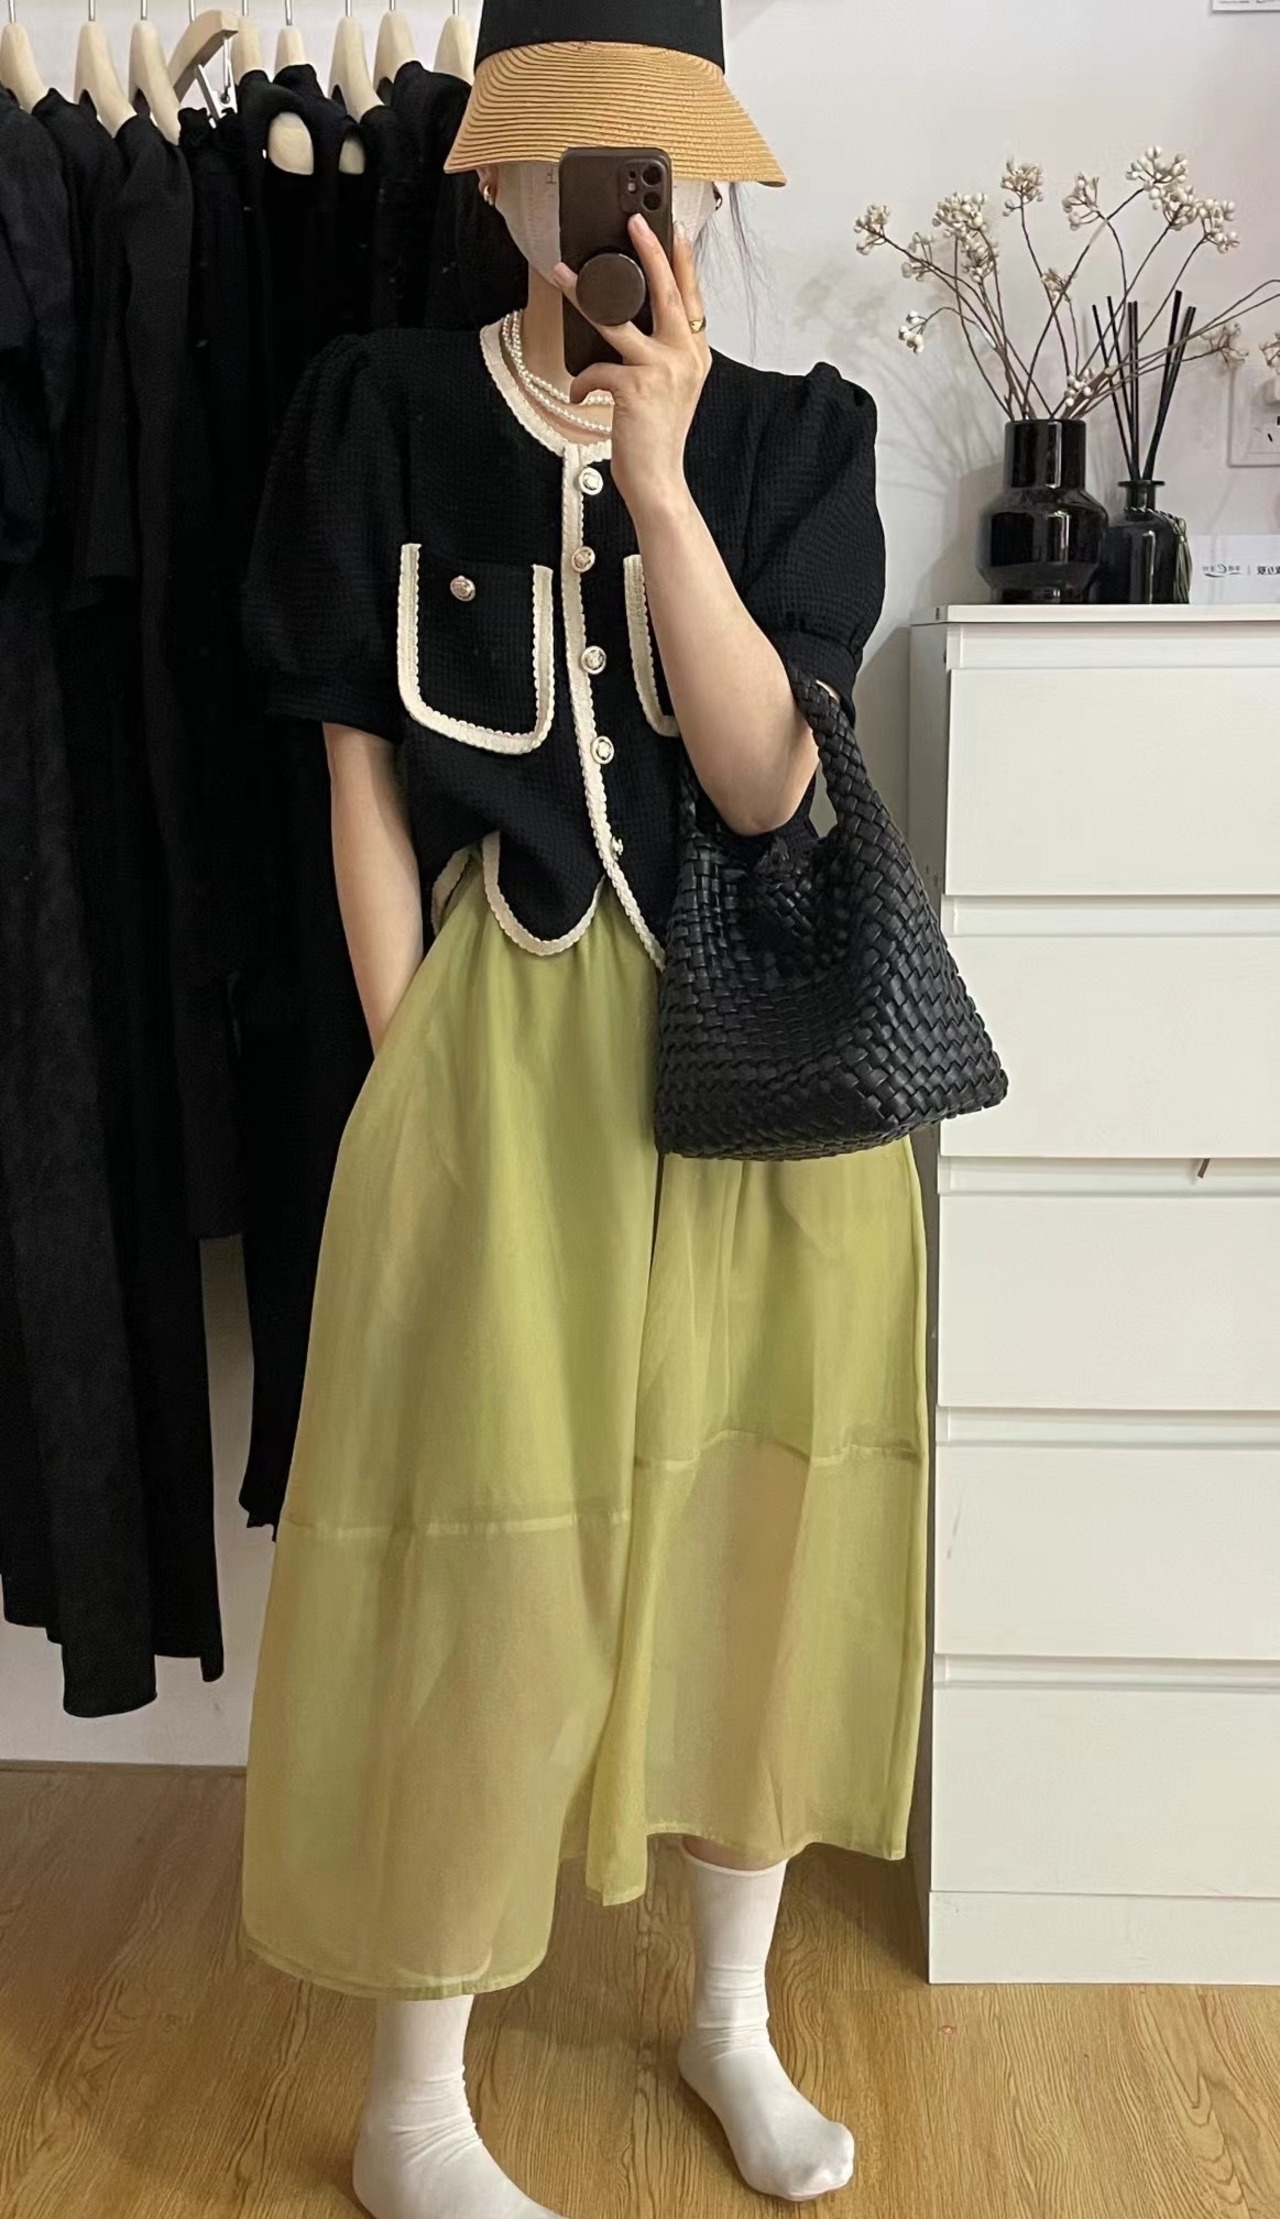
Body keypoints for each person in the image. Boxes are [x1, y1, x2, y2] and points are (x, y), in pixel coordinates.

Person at [240, 4, 930, 2213]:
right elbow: (357, 777)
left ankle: (730, 2017)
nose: (606, 199)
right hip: (499, 1044)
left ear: (697, 183)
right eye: (565, 154)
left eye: (646, 158)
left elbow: (764, 778)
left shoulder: (798, 437)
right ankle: (413, 2104)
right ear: (495, 173)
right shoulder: (377, 411)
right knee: (477, 1543)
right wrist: (411, 1077)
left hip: (767, 1071)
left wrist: (659, 477)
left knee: (753, 1529)